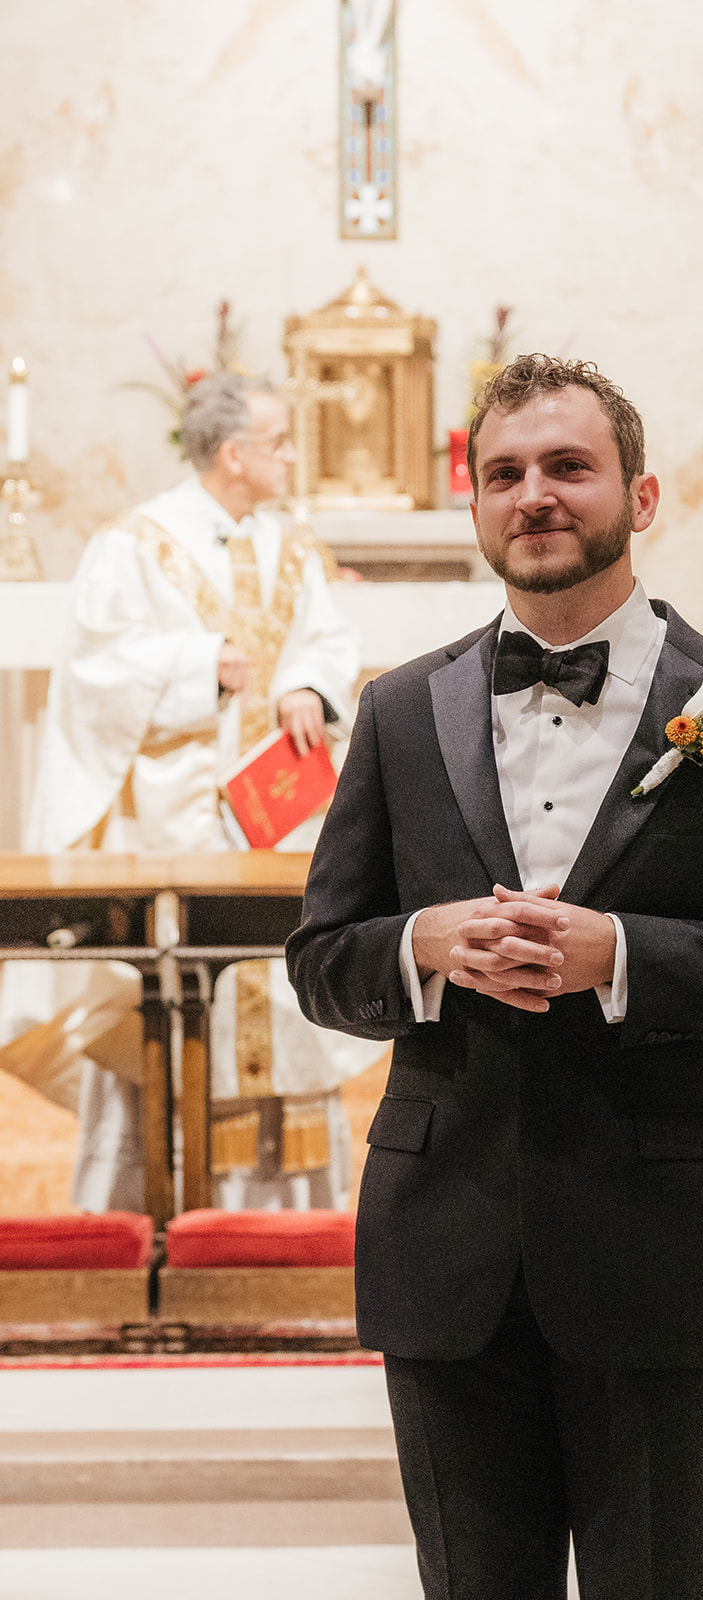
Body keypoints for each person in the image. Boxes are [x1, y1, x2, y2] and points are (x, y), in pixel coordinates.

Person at [287, 353, 703, 1599]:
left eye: (567, 466)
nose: (534, 495)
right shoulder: (397, 712)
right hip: (443, 1249)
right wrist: (421, 946)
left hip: (652, 1250)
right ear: (476, 503)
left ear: (640, 495)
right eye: (504, 474)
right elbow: (321, 963)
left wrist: (628, 958)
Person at [0, 372, 380, 1211]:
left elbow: (324, 638)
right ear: (234, 452)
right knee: (174, 992)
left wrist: (309, 688)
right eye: (279, 441)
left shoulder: (292, 545)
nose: (291, 456)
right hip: (180, 820)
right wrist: (192, 666)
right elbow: (95, 667)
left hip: (276, 818)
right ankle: (164, 1204)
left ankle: (284, 1216)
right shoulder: (136, 542)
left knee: (279, 989)